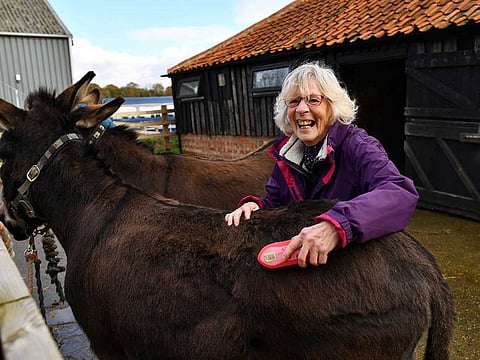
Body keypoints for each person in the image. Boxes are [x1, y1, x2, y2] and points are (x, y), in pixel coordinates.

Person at [225, 62, 419, 267]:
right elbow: (278, 203)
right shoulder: (287, 154)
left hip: (359, 266)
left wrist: (337, 226)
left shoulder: (357, 146)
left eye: (313, 100)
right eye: (293, 101)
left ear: (332, 106)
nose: (301, 109)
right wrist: (257, 207)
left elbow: (400, 194)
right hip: (312, 267)